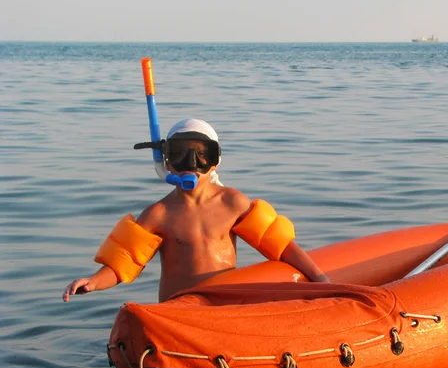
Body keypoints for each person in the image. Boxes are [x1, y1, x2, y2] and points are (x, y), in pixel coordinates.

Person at [63, 118, 330, 303]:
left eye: (203, 155)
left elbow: (280, 245)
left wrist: (319, 277)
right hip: (178, 308)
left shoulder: (231, 202)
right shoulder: (159, 214)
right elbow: (124, 262)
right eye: (180, 154)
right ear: (166, 162)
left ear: (215, 162)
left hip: (221, 305)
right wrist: (93, 282)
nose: (191, 163)